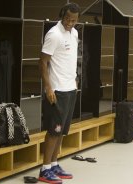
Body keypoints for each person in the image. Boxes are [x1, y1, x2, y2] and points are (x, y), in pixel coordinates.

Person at [39, 3, 80, 183]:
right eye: (68, 19)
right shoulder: (53, 34)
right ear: (62, 15)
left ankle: (54, 164)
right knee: (54, 131)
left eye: (74, 20)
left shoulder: (75, 33)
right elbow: (42, 62)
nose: (70, 23)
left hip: (70, 87)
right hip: (57, 90)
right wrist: (48, 87)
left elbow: (69, 59)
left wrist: (75, 78)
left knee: (62, 131)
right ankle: (44, 169)